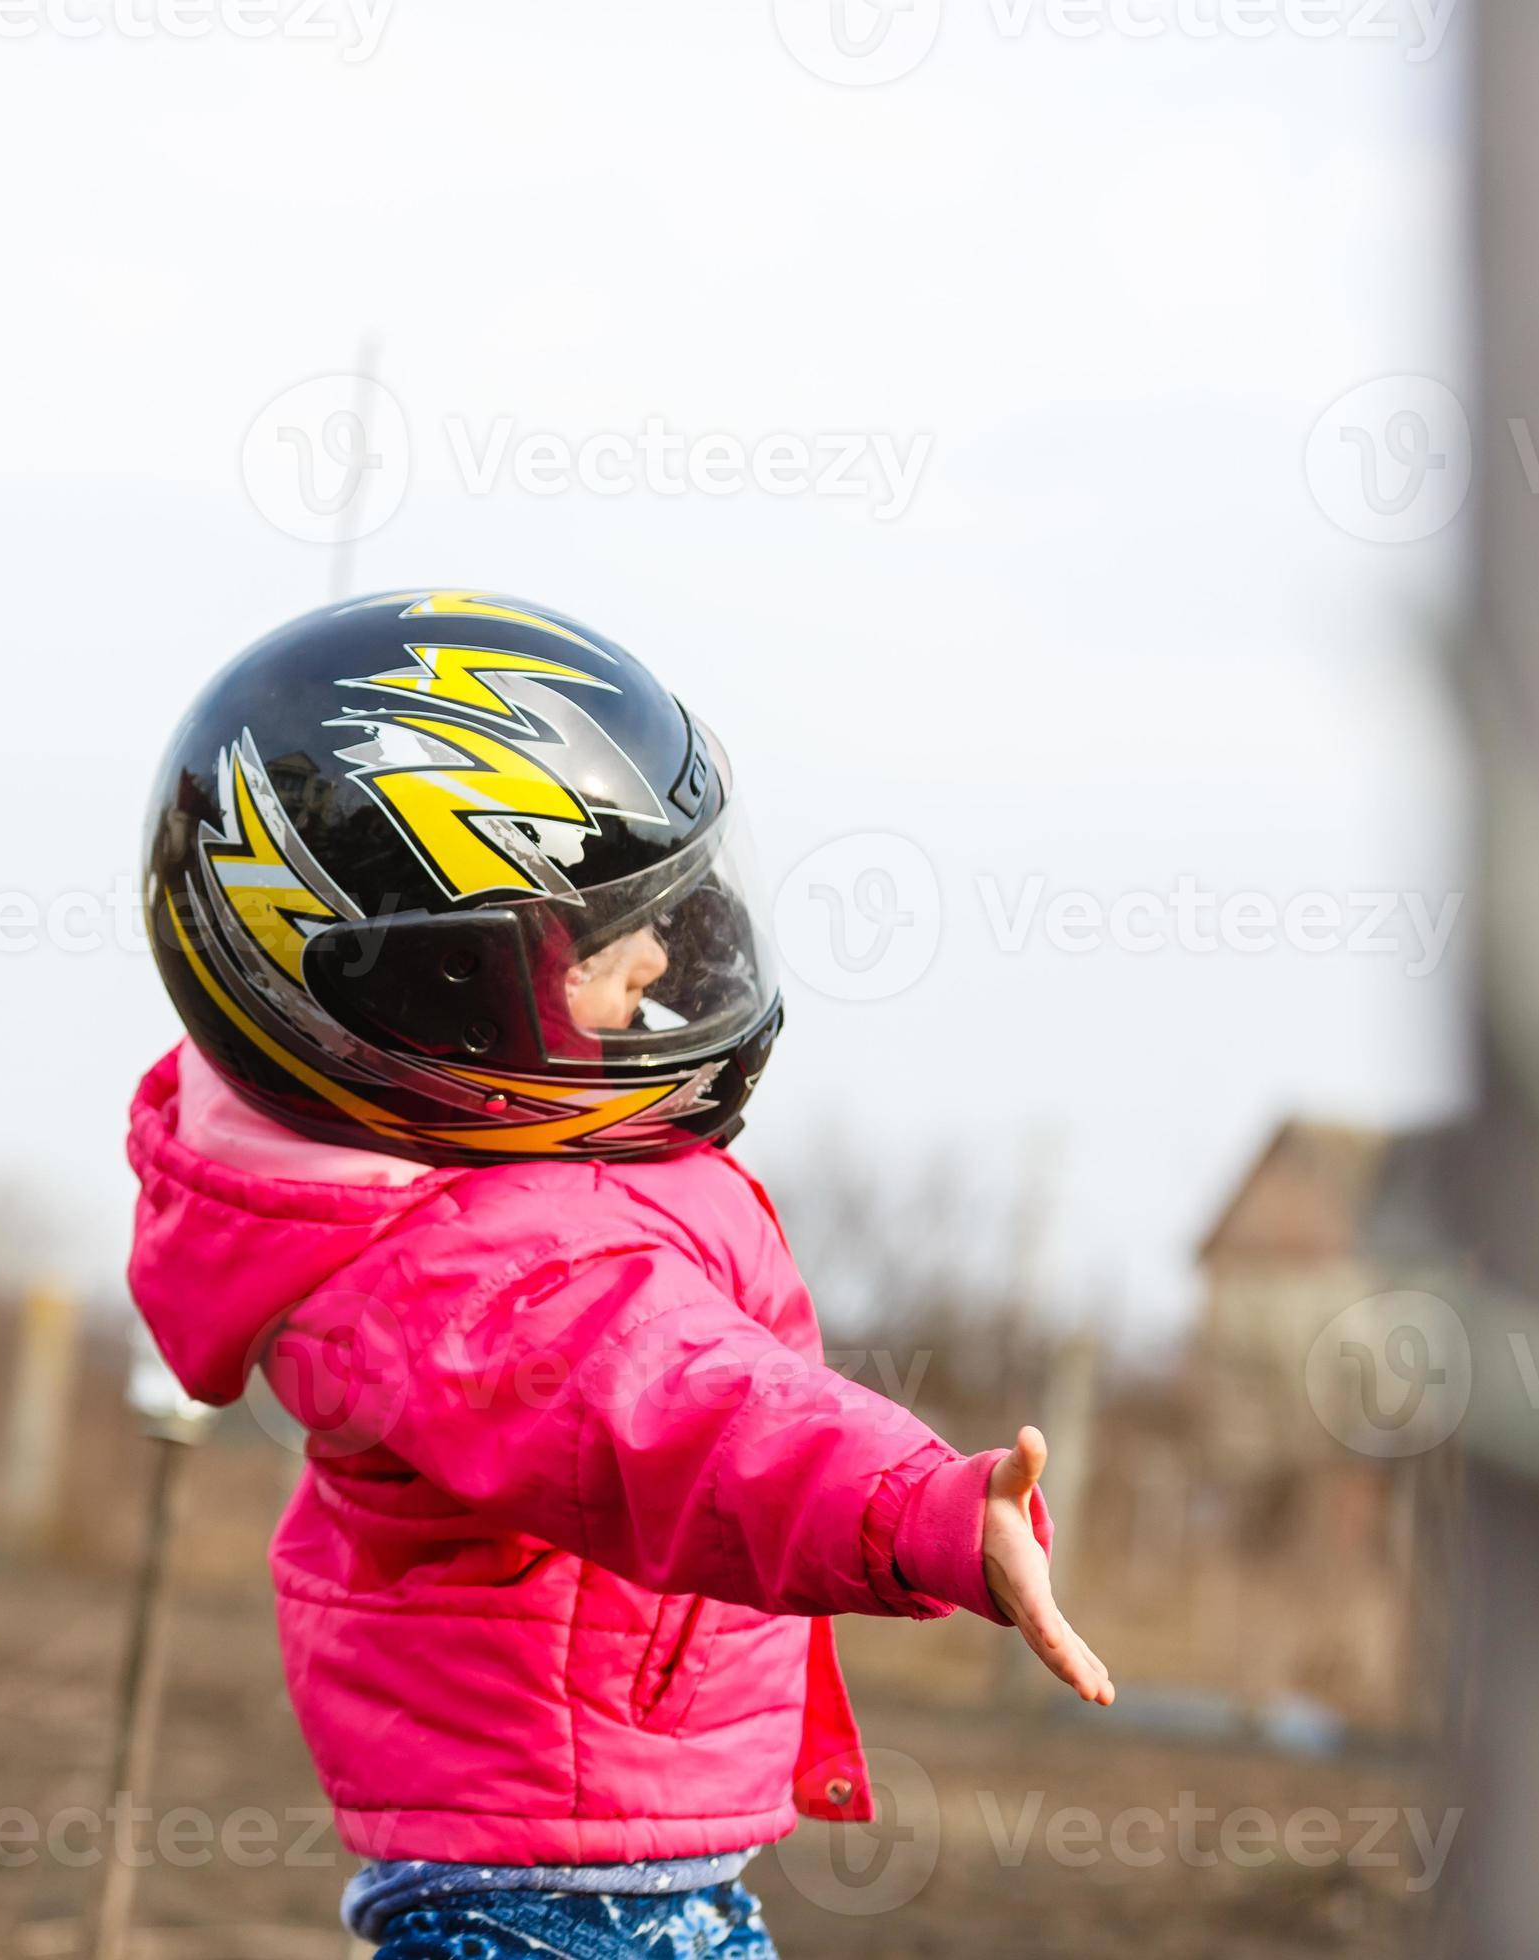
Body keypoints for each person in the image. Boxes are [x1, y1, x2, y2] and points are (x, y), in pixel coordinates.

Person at [124, 591, 1113, 1959]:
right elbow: (681, 1417)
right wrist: (914, 1510)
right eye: (601, 944)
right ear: (432, 992)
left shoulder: (458, 1198)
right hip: (559, 1906)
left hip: (605, 1871)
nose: (661, 960)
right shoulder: (465, 1275)